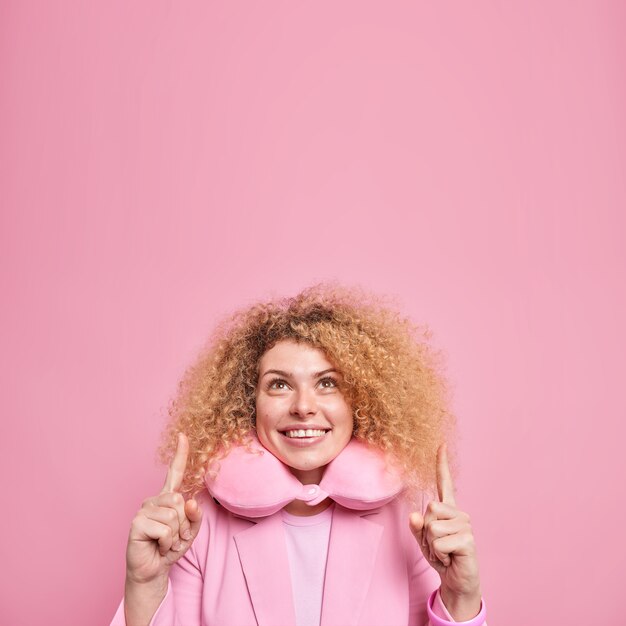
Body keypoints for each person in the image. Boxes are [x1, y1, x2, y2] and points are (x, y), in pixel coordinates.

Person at [111, 284, 487, 626]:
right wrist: (144, 584)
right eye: (279, 384)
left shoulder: (415, 520)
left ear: (361, 399)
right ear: (249, 403)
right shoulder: (196, 525)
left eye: (327, 383)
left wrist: (460, 595)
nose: (304, 407)